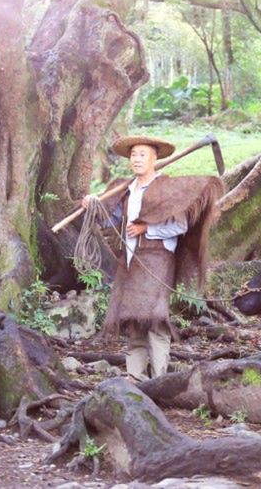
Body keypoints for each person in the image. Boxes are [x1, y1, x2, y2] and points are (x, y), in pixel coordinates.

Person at [82, 135, 223, 381]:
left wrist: (148, 229)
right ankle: (135, 376)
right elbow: (110, 220)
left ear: (154, 158)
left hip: (157, 260)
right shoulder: (126, 190)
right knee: (134, 318)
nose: (137, 159)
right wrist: (93, 206)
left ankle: (159, 378)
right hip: (130, 261)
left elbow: (180, 226)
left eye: (142, 154)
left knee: (156, 319)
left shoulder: (166, 188)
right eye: (134, 154)